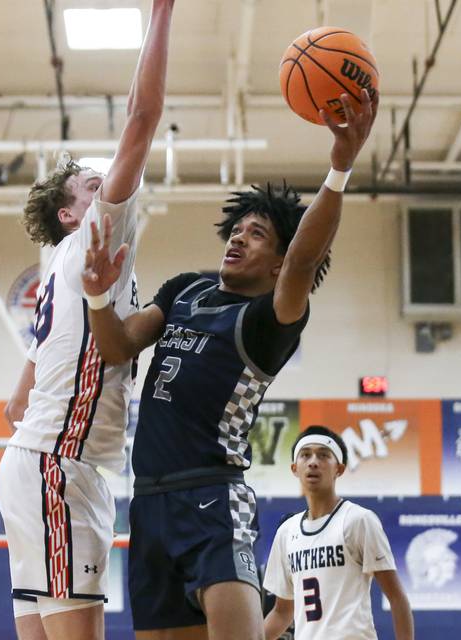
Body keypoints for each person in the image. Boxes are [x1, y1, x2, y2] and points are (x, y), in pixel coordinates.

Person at [82, 89, 378, 640]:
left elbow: (306, 260)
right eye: (238, 229)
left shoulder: (267, 321)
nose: (239, 236)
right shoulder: (184, 290)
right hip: (147, 500)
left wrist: (339, 167)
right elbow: (118, 346)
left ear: (278, 265)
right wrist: (97, 296)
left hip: (213, 496)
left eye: (258, 233)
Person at [0, 2, 176, 639]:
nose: (113, 190)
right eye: (94, 187)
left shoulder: (60, 266)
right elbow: (144, 116)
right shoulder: (97, 234)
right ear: (73, 215)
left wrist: (26, 391)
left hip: (36, 464)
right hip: (58, 465)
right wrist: (162, 12)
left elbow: (29, 372)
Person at [263, 426, 413, 640]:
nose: (313, 461)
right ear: (295, 468)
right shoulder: (286, 532)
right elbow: (282, 612)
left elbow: (397, 598)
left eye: (323, 455)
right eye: (305, 455)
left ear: (339, 469)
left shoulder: (359, 520)